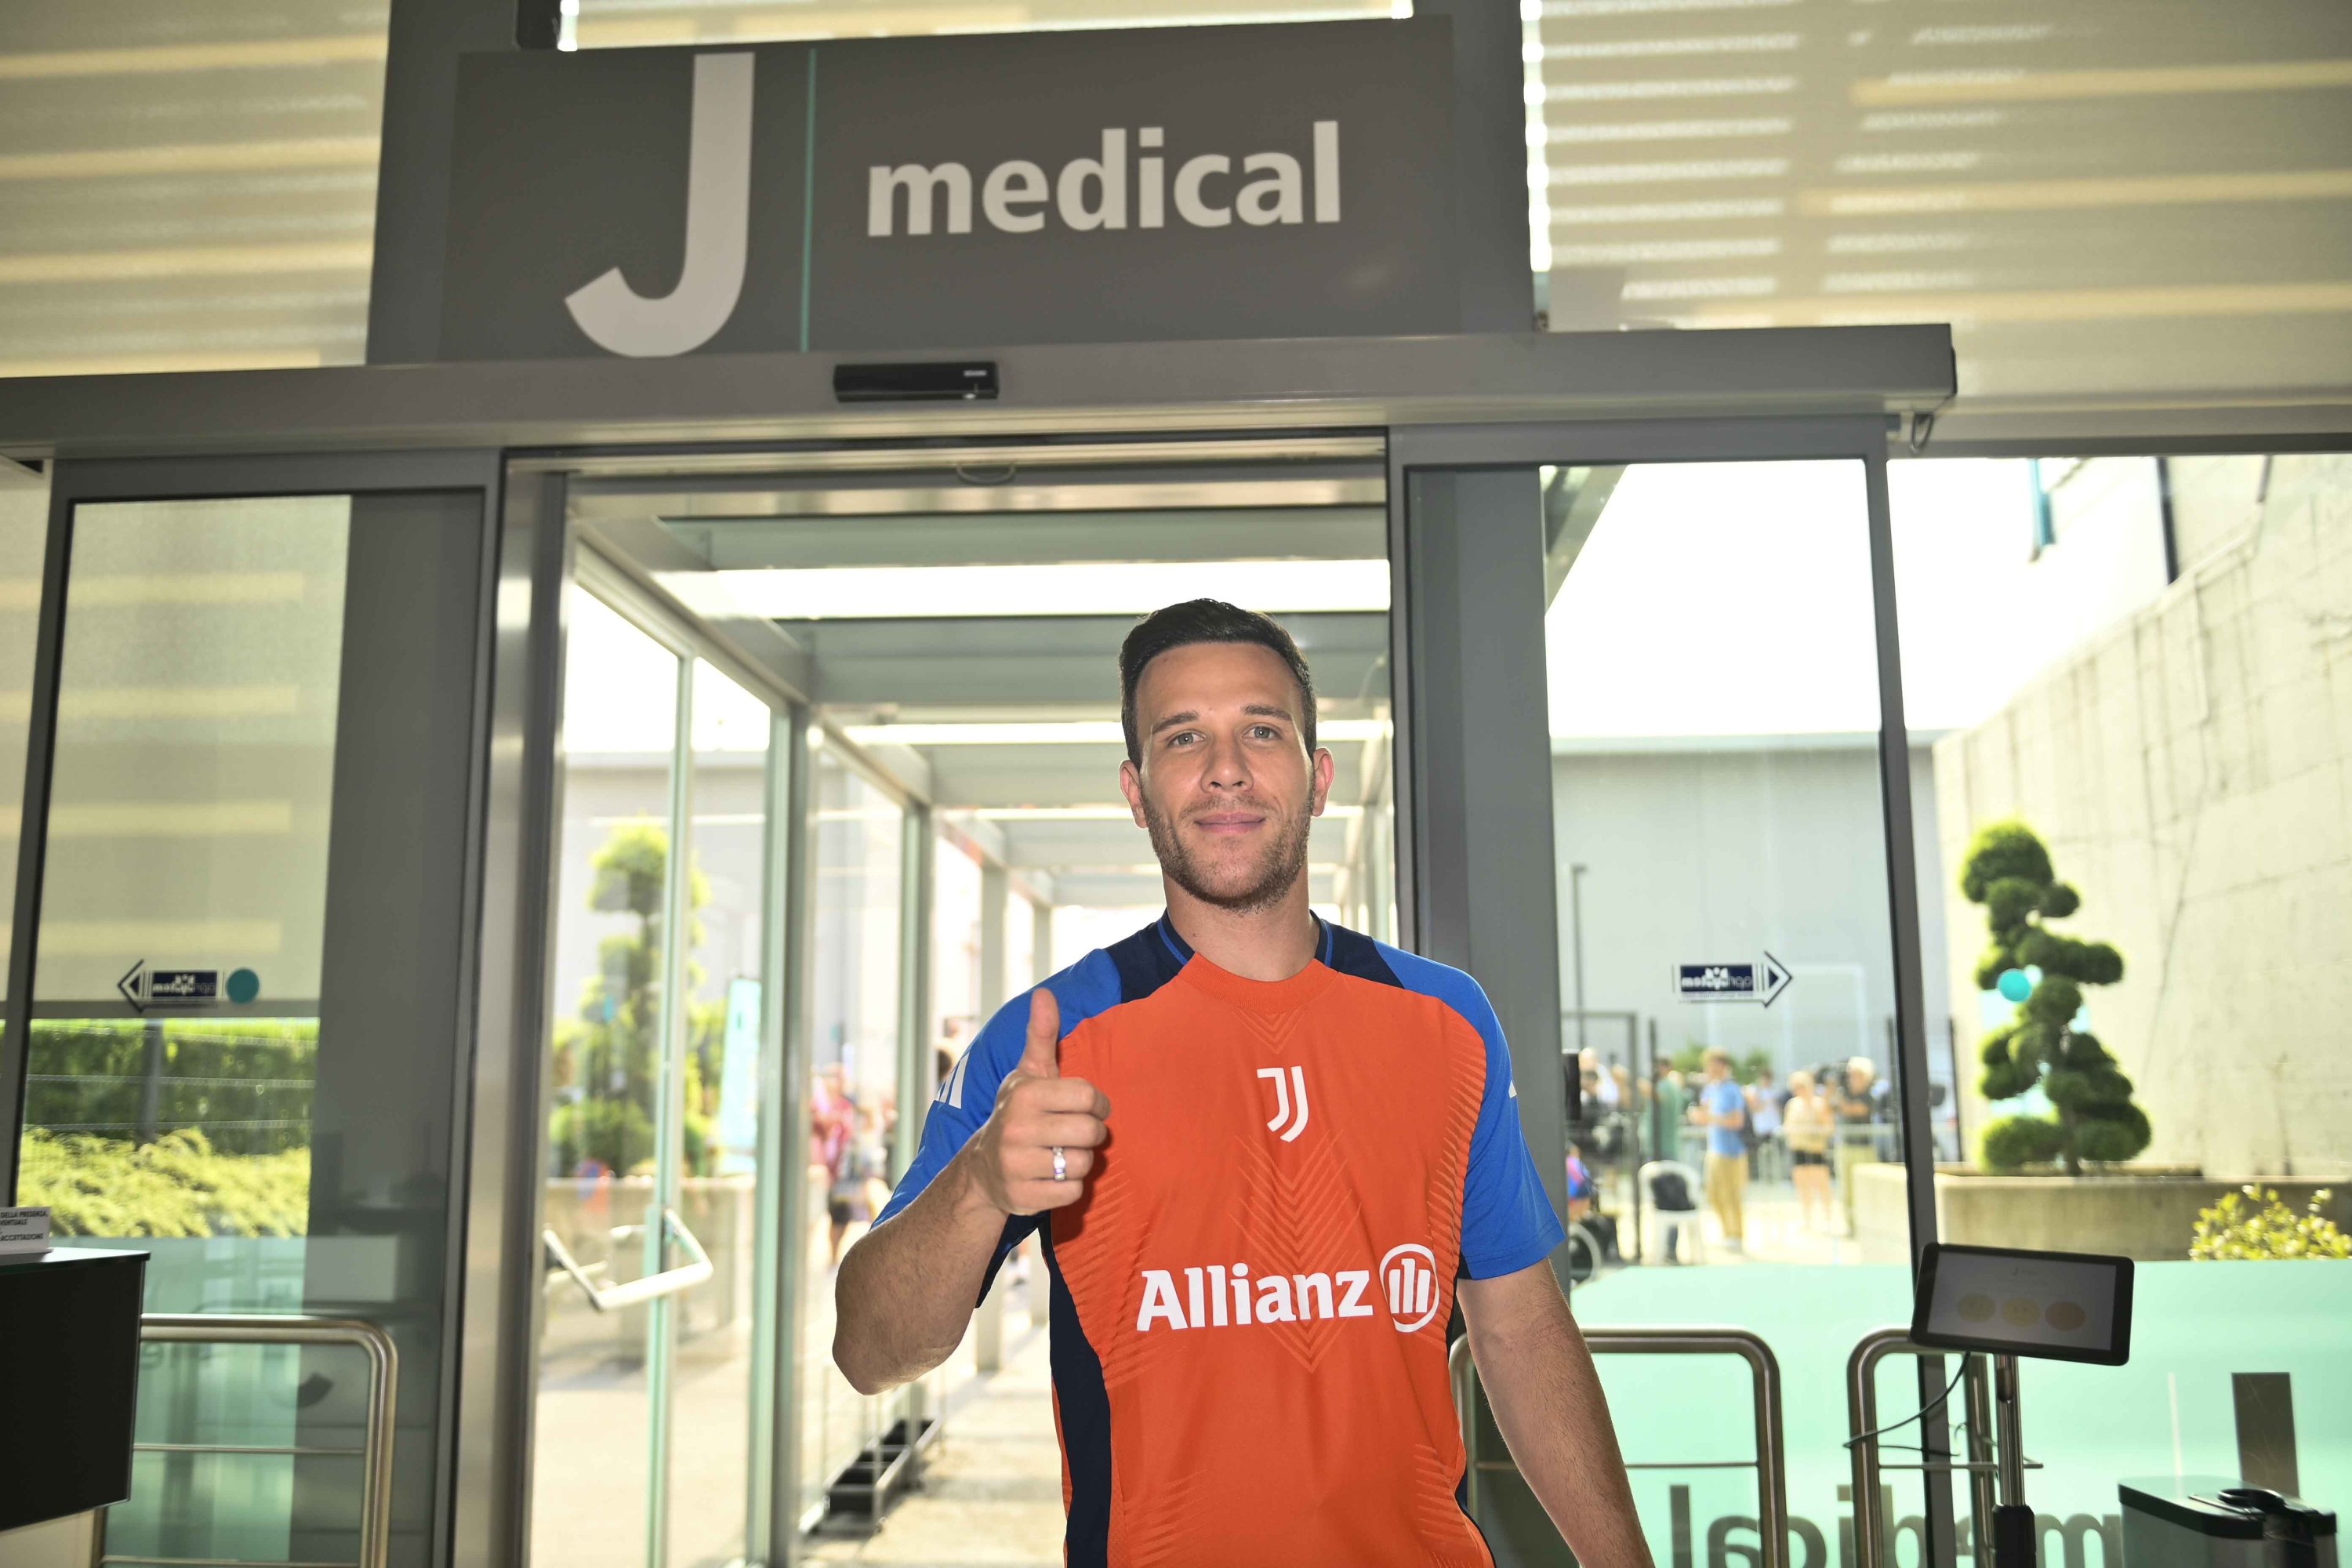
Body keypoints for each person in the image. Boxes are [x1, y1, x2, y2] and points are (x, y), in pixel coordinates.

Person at [832, 600, 1651, 1566]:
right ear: (1137, 792)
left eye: (1262, 729)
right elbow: (870, 1349)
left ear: (1319, 777)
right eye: (1185, 737)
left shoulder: (1446, 1019)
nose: (1226, 766)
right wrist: (976, 1185)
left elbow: (1518, 1325)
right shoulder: (1049, 1041)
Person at [1697, 1049, 1748, 1254]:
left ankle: (1736, 1234)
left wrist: (1711, 1118)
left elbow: (1736, 1121)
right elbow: (1704, 1115)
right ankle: (1727, 1232)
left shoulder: (1732, 1090)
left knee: (1731, 1194)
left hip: (1732, 1151)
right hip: (1714, 1149)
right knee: (1714, 1194)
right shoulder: (1711, 1089)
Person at [1834, 1056, 1888, 1238]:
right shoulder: (1843, 1093)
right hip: (1846, 1146)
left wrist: (1839, 1096)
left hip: (1864, 1148)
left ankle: (1868, 1225)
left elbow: (1854, 1109)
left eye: (1855, 1074)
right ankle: (1851, 1226)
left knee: (1864, 1188)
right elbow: (1831, 1107)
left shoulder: (1870, 1095)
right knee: (1847, 1189)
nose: (1850, 1077)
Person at [1781, 1069, 1834, 1230]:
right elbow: (1788, 1125)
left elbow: (1828, 1127)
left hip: (1816, 1150)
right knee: (1802, 1185)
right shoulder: (1793, 1104)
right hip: (1799, 1149)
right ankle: (1807, 1219)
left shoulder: (1819, 1103)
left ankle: (1827, 1218)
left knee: (1821, 1184)